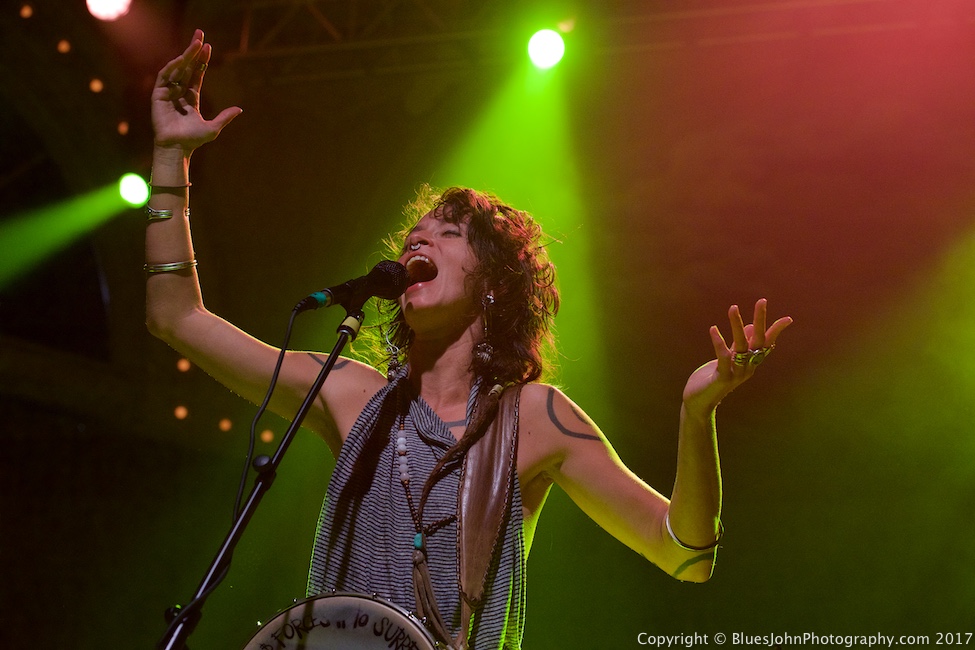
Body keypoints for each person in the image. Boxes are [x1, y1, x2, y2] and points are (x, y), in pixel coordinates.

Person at [146, 30, 792, 650]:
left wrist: (695, 413)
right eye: (412, 237)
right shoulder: (346, 391)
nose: (418, 242)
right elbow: (175, 317)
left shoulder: (534, 418)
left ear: (494, 285)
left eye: (448, 234)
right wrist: (172, 158)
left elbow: (683, 557)